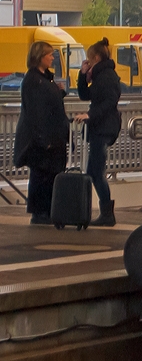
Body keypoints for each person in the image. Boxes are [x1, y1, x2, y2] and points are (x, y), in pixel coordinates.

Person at [14, 41, 69, 225]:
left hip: (53, 136)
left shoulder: (45, 78)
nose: (53, 58)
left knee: (51, 173)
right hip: (42, 138)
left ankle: (47, 210)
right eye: (50, 54)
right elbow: (36, 111)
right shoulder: (33, 80)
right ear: (40, 56)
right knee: (41, 174)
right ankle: (39, 212)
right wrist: (43, 139)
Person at [75, 38, 122, 227]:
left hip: (102, 128)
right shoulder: (99, 75)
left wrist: (90, 114)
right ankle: (104, 212)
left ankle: (107, 214)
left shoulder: (106, 76)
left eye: (89, 59)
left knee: (96, 172)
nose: (87, 63)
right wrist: (82, 75)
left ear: (95, 57)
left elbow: (109, 102)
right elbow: (85, 95)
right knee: (93, 171)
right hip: (99, 127)